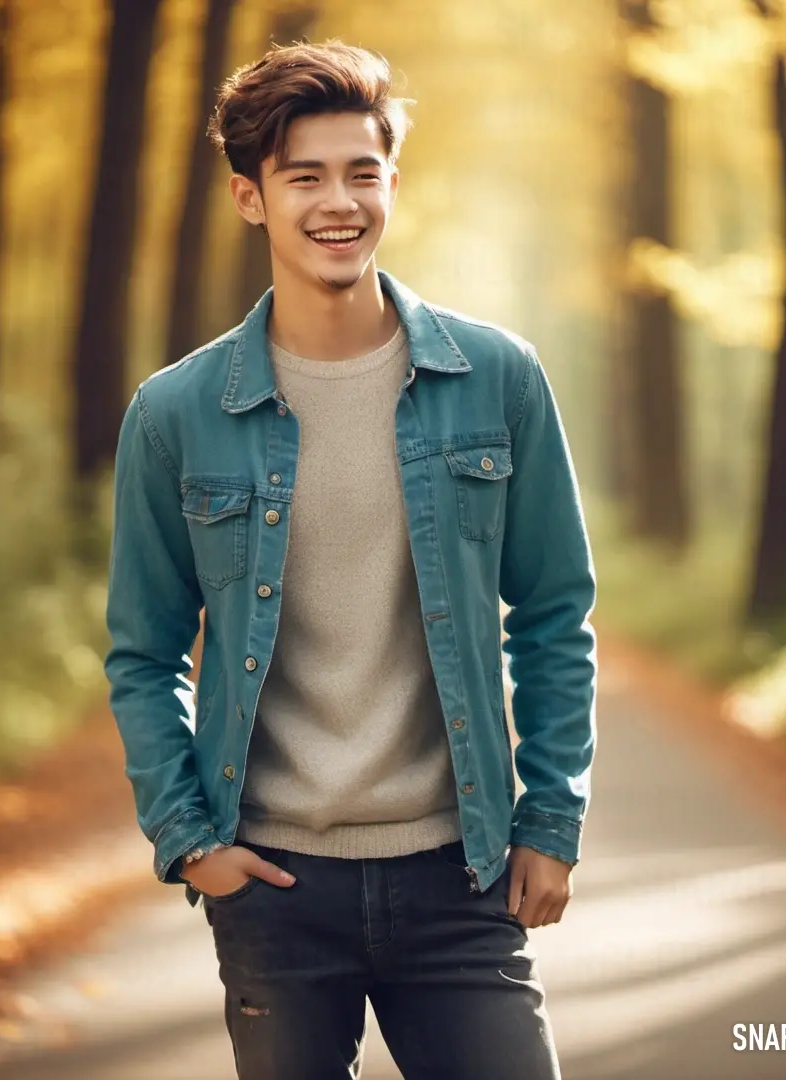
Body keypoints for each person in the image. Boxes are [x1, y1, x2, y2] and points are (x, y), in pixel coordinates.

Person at [104, 38, 597, 1080]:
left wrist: (550, 820)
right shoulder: (176, 413)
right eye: (305, 177)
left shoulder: (496, 378)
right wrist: (190, 840)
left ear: (392, 183)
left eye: (362, 172)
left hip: (460, 876)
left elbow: (555, 612)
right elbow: (145, 654)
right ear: (250, 198)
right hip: (278, 894)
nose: (340, 202)